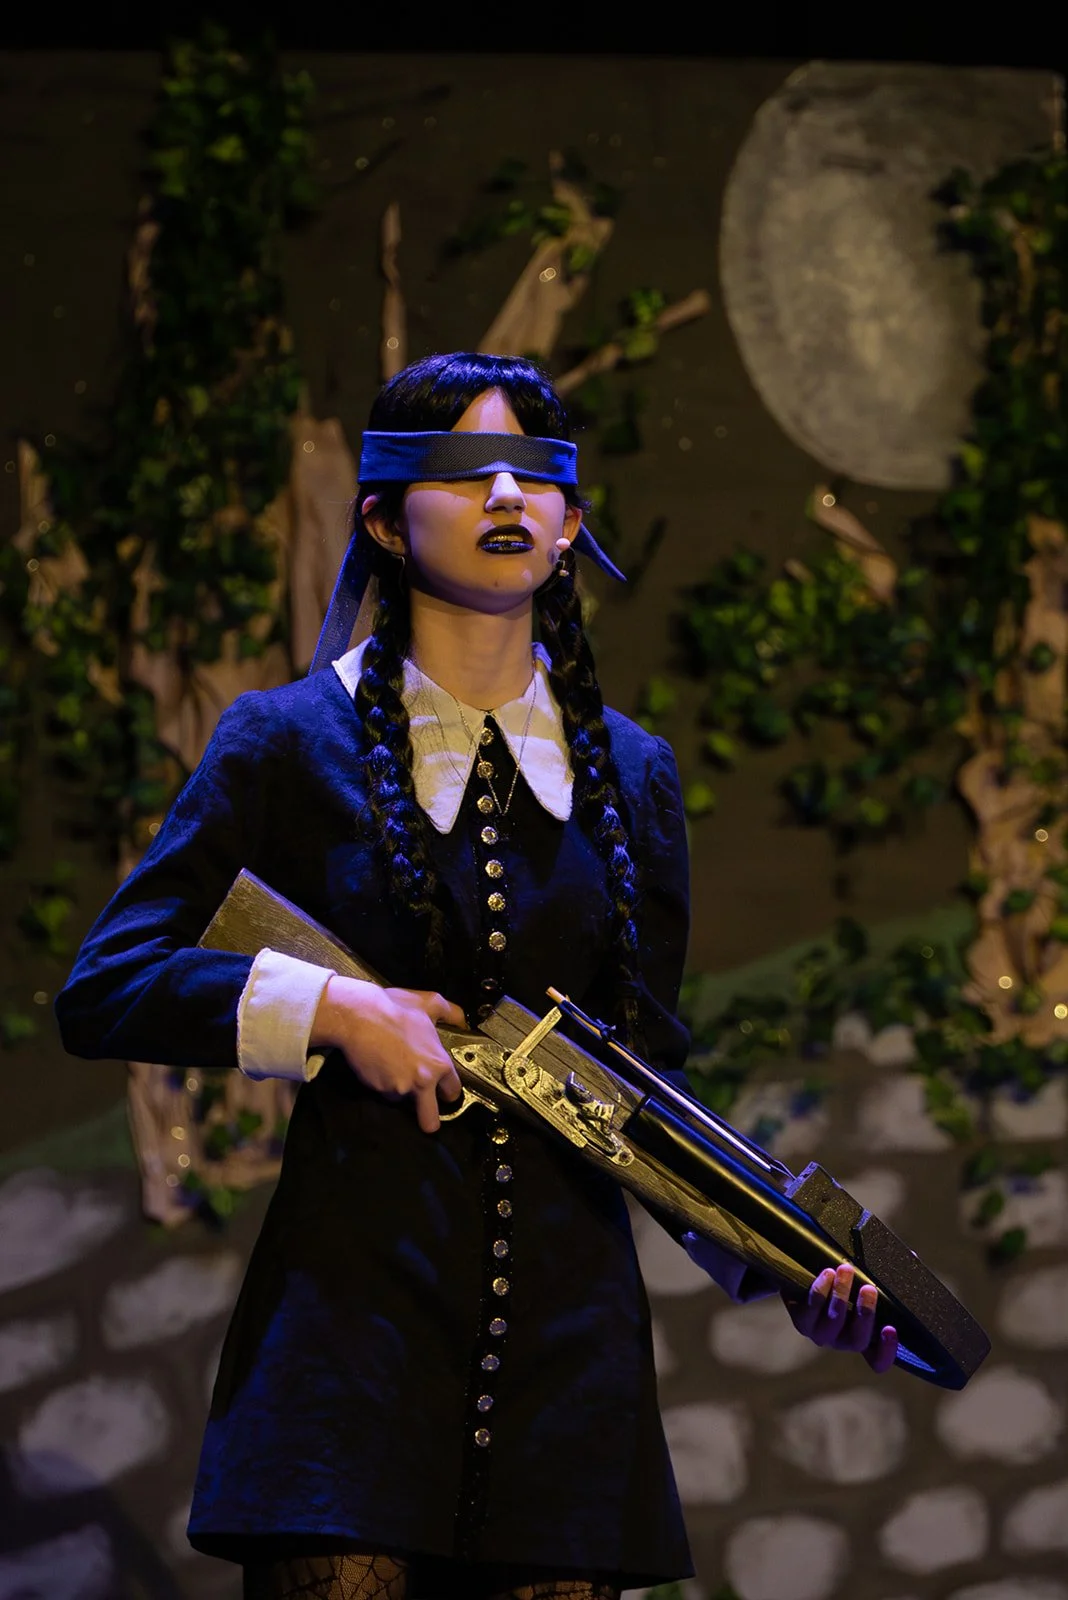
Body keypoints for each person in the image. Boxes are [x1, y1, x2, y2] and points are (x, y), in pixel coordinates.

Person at [55, 353, 896, 1600]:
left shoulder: (635, 774)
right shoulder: (285, 740)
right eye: (461, 470)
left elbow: (641, 1087)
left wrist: (771, 1262)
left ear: (569, 524)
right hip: (349, 1348)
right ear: (384, 519)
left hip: (570, 1369)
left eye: (534, 473)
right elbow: (107, 983)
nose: (505, 494)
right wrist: (336, 1010)